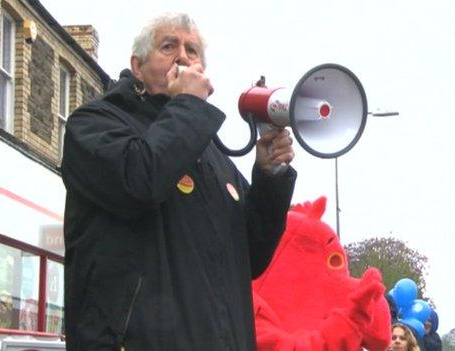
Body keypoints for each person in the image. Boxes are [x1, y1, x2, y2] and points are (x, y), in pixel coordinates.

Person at [60, 12, 297, 351]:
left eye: (192, 50)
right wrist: (188, 105)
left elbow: (253, 257)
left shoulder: (211, 156)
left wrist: (269, 176)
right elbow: (141, 181)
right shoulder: (94, 124)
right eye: (168, 46)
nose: (183, 57)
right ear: (137, 66)